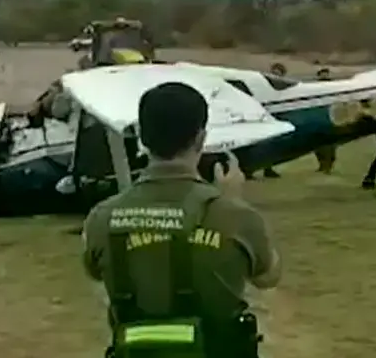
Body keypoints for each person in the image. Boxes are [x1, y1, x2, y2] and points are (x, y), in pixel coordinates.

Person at [82, 82, 280, 358]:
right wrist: (230, 204)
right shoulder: (235, 215)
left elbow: (94, 271)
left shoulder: (102, 217)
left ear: (142, 138)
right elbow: (268, 276)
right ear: (201, 138)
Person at [312, 67, 338, 175]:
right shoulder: (314, 88)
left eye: (326, 73)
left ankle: (329, 165)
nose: (324, 75)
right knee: (317, 144)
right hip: (318, 117)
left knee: (330, 144)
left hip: (330, 116)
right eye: (322, 74)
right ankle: (322, 164)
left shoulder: (333, 86)